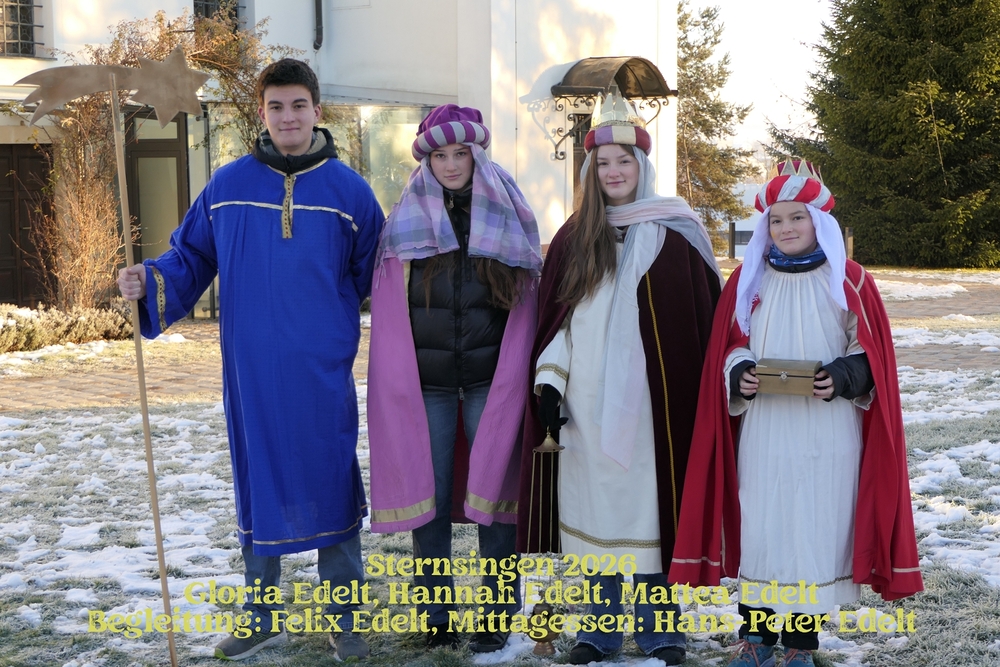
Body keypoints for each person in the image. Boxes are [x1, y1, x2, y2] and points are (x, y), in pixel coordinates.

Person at [117, 59, 384, 662]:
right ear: (261, 113)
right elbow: (188, 258)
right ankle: (261, 616)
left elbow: (380, 278)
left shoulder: (351, 194)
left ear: (317, 110)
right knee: (258, 480)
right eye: (276, 107)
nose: (288, 118)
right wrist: (147, 280)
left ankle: (345, 618)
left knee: (332, 480)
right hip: (251, 371)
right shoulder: (228, 186)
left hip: (322, 371)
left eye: (298, 105)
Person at [670, 159, 923, 666]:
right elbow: (730, 344)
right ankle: (757, 639)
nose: (786, 228)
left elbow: (870, 352)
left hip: (827, 430)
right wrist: (738, 372)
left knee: (813, 528)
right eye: (776, 220)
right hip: (765, 429)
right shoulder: (748, 280)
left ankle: (801, 646)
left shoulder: (849, 279)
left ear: (818, 221)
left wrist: (844, 376)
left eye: (797, 218)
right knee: (763, 526)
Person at [516, 93, 723, 666]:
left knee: (650, 516)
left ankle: (660, 631)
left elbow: (701, 320)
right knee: (599, 518)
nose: (613, 172)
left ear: (643, 165)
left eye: (623, 161)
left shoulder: (677, 234)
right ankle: (601, 631)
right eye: (602, 163)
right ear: (590, 170)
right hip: (585, 403)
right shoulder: (574, 238)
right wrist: (550, 383)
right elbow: (557, 322)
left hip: (654, 408)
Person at [366, 104, 540, 652]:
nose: (449, 164)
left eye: (459, 153)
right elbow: (389, 300)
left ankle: (497, 615)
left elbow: (528, 296)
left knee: (496, 498)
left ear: (476, 155)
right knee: (431, 499)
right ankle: (436, 615)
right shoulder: (406, 218)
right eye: (439, 155)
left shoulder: (507, 212)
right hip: (430, 385)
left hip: (492, 381)